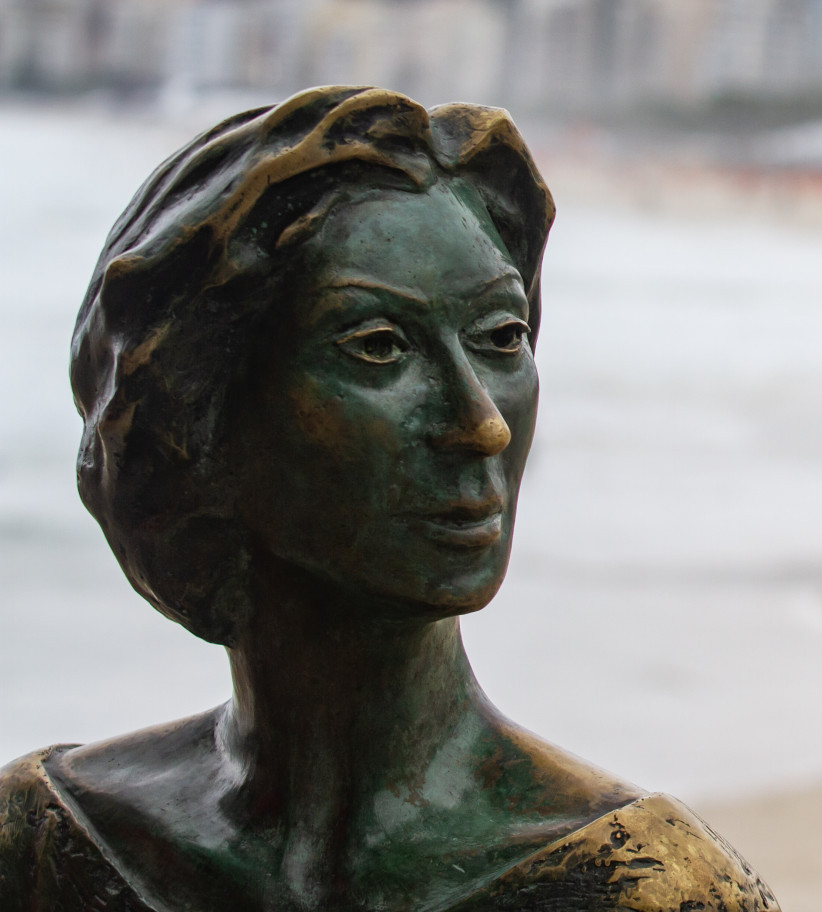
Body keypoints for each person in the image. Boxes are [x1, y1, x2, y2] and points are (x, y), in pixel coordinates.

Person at [0, 87, 777, 911]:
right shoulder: (50, 847)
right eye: (379, 347)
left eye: (502, 339)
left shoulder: (648, 888)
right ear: (202, 418)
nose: (481, 423)